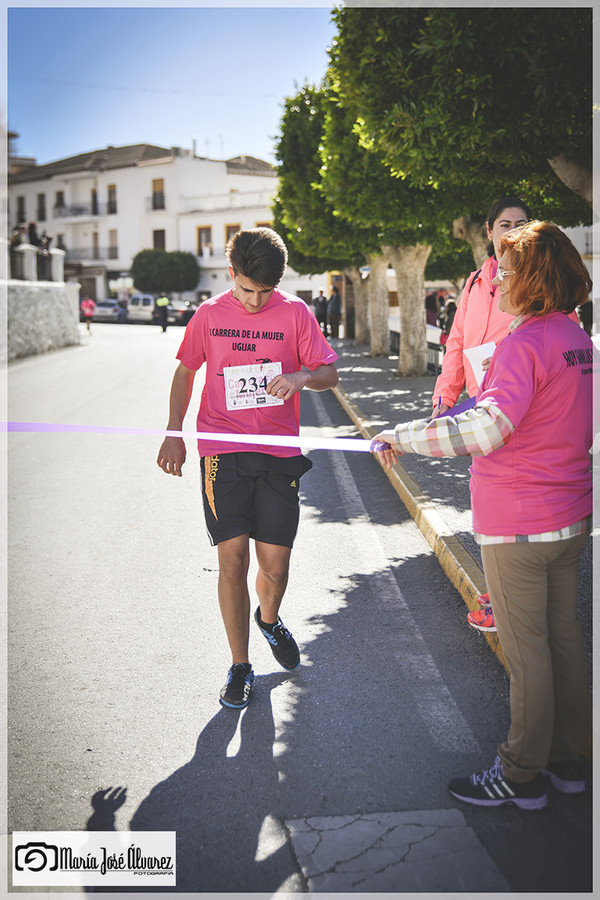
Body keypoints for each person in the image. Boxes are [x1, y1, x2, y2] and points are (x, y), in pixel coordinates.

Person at [372, 221, 594, 809]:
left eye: (508, 270)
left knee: (527, 652)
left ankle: (521, 774)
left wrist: (403, 436)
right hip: (570, 515)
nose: (498, 281)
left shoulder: (525, 344)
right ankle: (568, 762)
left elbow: (489, 426)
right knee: (563, 640)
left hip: (520, 520)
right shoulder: (576, 339)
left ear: (534, 279)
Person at [157, 228, 339, 710]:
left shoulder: (295, 313)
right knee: (232, 560)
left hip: (278, 453)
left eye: (265, 291)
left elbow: (329, 373)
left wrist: (301, 376)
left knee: (274, 567)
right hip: (222, 449)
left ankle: (270, 619)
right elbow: (185, 371)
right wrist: (174, 432)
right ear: (230, 273)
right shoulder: (209, 314)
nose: (255, 301)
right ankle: (240, 665)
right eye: (246, 289)